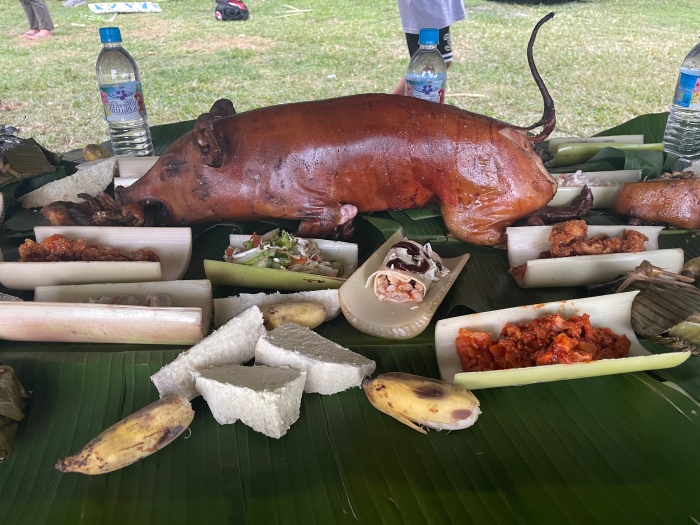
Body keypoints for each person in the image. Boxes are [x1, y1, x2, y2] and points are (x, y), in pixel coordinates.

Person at [392, 0, 466, 95]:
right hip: (428, 8)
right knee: (431, 64)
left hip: (432, 8)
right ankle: (386, 106)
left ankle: (389, 105)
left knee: (431, 64)